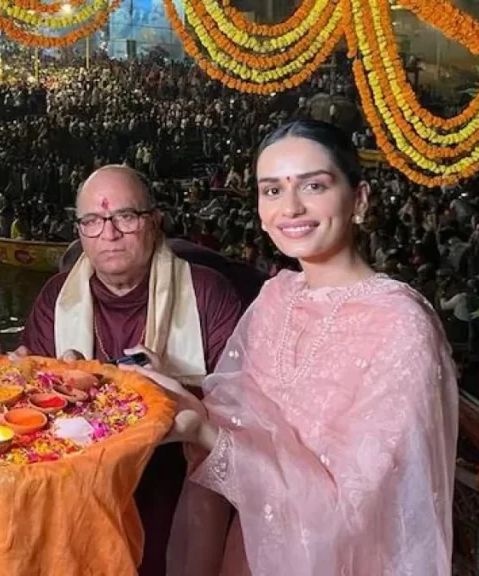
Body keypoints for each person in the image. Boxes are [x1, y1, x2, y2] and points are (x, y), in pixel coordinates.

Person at [132, 121, 458, 576]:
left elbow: (359, 508)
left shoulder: (400, 325)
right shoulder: (276, 297)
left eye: (314, 186)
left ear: (360, 199)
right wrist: (179, 394)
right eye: (272, 191)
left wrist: (205, 433)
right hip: (253, 547)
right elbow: (240, 414)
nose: (291, 207)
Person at [16, 165, 244, 576]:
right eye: (93, 220)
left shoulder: (207, 292)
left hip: (177, 485)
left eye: (125, 216)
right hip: (84, 490)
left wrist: (173, 387)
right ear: (79, 230)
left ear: (154, 221)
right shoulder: (55, 299)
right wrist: (37, 382)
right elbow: (33, 414)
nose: (109, 233)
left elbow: (244, 414)